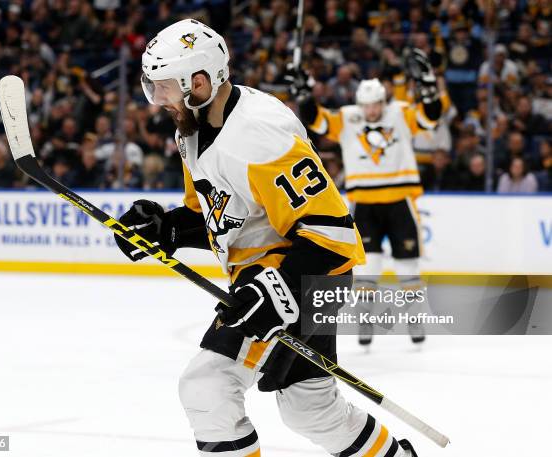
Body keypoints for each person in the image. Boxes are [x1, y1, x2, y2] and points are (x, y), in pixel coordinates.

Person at [114, 19, 417, 457]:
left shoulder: (259, 132)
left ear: (198, 82)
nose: (156, 99)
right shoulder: (193, 129)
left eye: (162, 86)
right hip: (273, 280)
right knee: (311, 410)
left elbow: (334, 235)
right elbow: (218, 216)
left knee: (207, 387)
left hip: (306, 279)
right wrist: (167, 228)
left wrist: (276, 289)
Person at [291, 49, 448, 346]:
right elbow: (317, 121)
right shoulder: (349, 117)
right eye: (366, 105)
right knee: (368, 267)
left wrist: (428, 88)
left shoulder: (399, 112)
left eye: (375, 105)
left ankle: (415, 320)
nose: (371, 111)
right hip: (364, 203)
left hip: (399, 199)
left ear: (383, 102)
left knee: (408, 266)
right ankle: (366, 322)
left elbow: (430, 118)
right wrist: (305, 96)